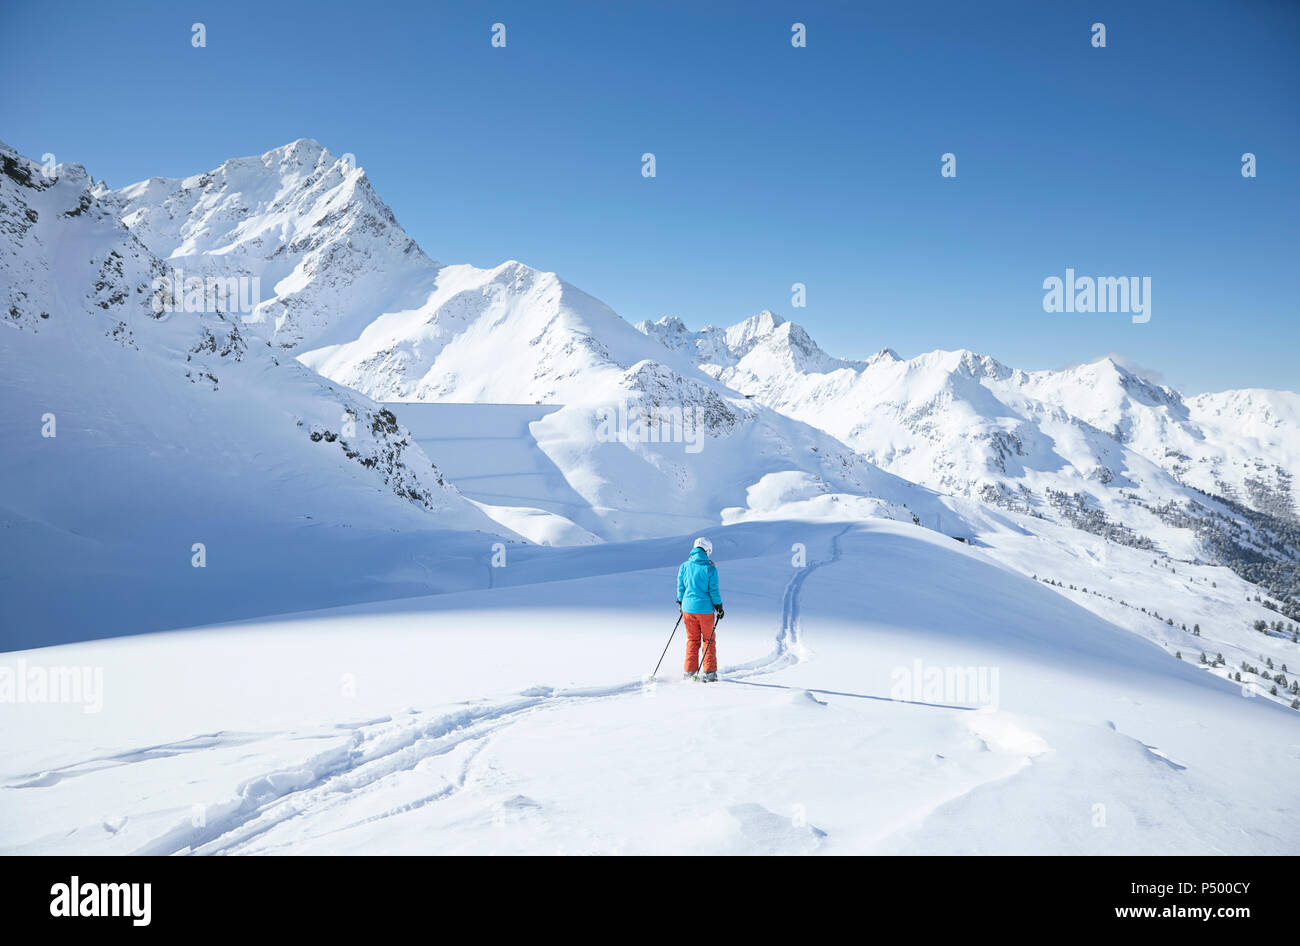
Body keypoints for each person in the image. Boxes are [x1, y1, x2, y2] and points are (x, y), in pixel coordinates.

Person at [677, 537, 724, 682]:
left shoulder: (684, 566)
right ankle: (710, 673)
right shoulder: (710, 568)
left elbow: (681, 587)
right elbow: (713, 591)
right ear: (707, 550)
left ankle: (689, 672)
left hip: (687, 609)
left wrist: (680, 602)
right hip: (705, 610)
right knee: (708, 640)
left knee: (692, 639)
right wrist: (719, 606)